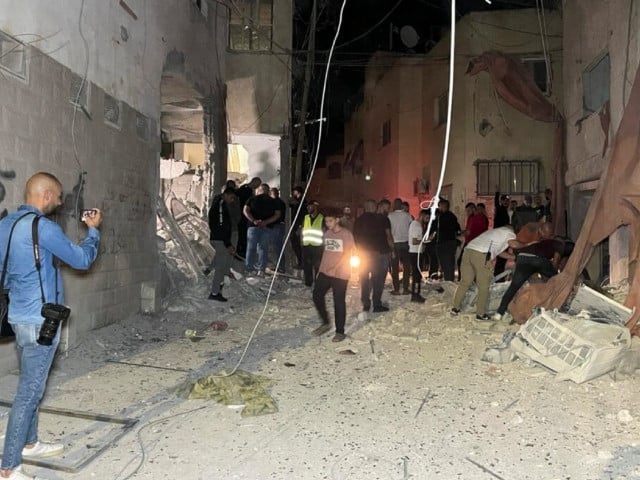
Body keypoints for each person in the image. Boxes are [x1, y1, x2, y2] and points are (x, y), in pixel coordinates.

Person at [0, 172, 102, 480]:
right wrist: (93, 231)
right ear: (45, 196)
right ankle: (8, 467)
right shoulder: (43, 228)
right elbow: (81, 259)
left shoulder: (4, 226)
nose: (58, 203)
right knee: (29, 393)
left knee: (31, 384)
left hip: (18, 318)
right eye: (57, 197)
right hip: (41, 322)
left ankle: (30, 444)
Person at [492, 234, 564, 322]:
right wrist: (555, 274)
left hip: (522, 257)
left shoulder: (541, 243)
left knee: (513, 287)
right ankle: (558, 304)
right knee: (556, 279)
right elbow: (555, 261)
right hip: (538, 259)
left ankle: (499, 313)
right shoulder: (559, 244)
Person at [450, 225, 515, 320]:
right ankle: (480, 314)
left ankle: (455, 308)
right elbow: (514, 243)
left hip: (468, 251)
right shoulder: (509, 232)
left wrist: (512, 257)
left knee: (465, 282)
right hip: (481, 254)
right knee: (484, 286)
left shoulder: (493, 233)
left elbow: (499, 253)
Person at [311, 209, 355, 342]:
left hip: (341, 273)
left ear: (337, 220)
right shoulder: (328, 233)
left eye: (330, 220)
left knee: (338, 301)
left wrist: (335, 268)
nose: (327, 223)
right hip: (326, 271)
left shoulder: (346, 234)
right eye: (326, 221)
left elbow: (348, 254)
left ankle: (340, 331)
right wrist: (322, 269)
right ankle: (325, 322)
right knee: (317, 295)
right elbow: (326, 252)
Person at [353, 199, 394, 312]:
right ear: (374, 207)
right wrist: (393, 250)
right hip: (378, 253)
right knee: (378, 279)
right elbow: (388, 236)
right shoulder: (382, 219)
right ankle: (376, 304)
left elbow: (355, 238)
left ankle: (366, 302)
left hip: (363, 254)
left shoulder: (358, 220)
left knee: (364, 279)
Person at [243, 183, 280, 276]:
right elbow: (277, 214)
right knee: (263, 249)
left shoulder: (252, 199)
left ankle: (249, 269)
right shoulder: (273, 201)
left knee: (251, 248)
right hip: (267, 227)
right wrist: (266, 222)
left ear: (259, 190)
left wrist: (254, 220)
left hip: (253, 227)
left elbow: (245, 210)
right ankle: (261, 270)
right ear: (268, 191)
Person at [207, 188, 237, 302]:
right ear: (225, 195)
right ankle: (214, 293)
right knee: (220, 266)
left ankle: (217, 287)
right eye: (231, 197)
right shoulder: (220, 207)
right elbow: (221, 227)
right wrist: (228, 244)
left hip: (220, 239)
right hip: (220, 239)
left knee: (221, 263)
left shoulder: (222, 205)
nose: (232, 200)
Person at [387, 198, 412, 295]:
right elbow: (411, 227)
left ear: (394, 205)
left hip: (394, 243)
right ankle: (406, 289)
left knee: (395, 267)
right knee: (406, 267)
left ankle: (396, 289)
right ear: (401, 205)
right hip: (405, 243)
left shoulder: (390, 215)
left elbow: (388, 230)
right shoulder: (408, 215)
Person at [235, 177, 262, 259]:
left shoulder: (250, 190)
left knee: (245, 235)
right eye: (257, 184)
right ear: (253, 182)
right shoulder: (245, 189)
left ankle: (243, 251)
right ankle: (240, 251)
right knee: (242, 234)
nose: (257, 187)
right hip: (242, 216)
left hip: (246, 217)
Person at [434, 199, 460, 281]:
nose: (439, 208)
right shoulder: (444, 216)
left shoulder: (448, 217)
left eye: (440, 206)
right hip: (445, 243)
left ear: (444, 206)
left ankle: (449, 283)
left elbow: (454, 229)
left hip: (446, 243)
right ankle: (447, 282)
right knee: (445, 265)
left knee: (447, 265)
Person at [408, 209, 429, 303]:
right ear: (422, 215)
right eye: (427, 217)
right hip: (415, 252)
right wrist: (425, 241)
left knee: (417, 274)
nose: (428, 220)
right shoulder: (417, 225)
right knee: (417, 275)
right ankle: (415, 295)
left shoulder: (416, 224)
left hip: (416, 252)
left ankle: (416, 294)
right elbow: (414, 241)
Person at [301, 200, 324, 286]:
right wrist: (302, 242)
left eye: (310, 206)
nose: (308, 207)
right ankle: (308, 282)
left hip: (317, 246)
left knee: (317, 266)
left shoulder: (322, 218)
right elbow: (303, 229)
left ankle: (318, 283)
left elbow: (325, 232)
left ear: (315, 207)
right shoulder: (306, 217)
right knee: (307, 265)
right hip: (307, 245)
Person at [269, 187, 287, 273]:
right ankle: (280, 266)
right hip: (281, 226)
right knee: (278, 246)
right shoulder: (282, 202)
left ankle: (280, 267)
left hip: (276, 226)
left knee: (277, 246)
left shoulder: (275, 203)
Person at [289, 186, 306, 268]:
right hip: (295, 225)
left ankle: (301, 262)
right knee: (296, 244)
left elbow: (301, 215)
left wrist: (299, 227)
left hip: (297, 226)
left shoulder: (302, 201)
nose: (293, 193)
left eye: (294, 192)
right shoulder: (298, 201)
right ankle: (300, 262)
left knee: (296, 244)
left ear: (297, 192)